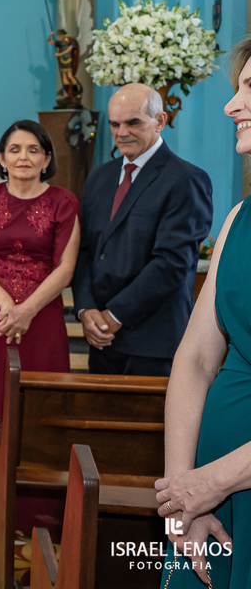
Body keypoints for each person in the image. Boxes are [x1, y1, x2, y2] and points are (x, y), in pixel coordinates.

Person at [152, 41, 251, 587]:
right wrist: (181, 496)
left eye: (249, 89)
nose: (230, 106)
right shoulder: (240, 218)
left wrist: (215, 481)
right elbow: (193, 359)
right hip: (205, 503)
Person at [0, 120, 80, 528]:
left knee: (41, 410)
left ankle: (37, 513)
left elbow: (65, 268)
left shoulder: (64, 202)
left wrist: (27, 309)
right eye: (16, 150)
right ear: (2, 159)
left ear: (46, 159)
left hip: (42, 317)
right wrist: (7, 303)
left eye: (34, 150)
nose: (24, 157)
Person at [71, 83, 212, 377]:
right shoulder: (99, 178)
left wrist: (114, 314)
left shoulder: (185, 179)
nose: (122, 132)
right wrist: (86, 310)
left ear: (159, 121)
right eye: (115, 124)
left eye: (132, 122)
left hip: (154, 343)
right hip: (102, 341)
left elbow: (172, 263)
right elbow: (84, 251)